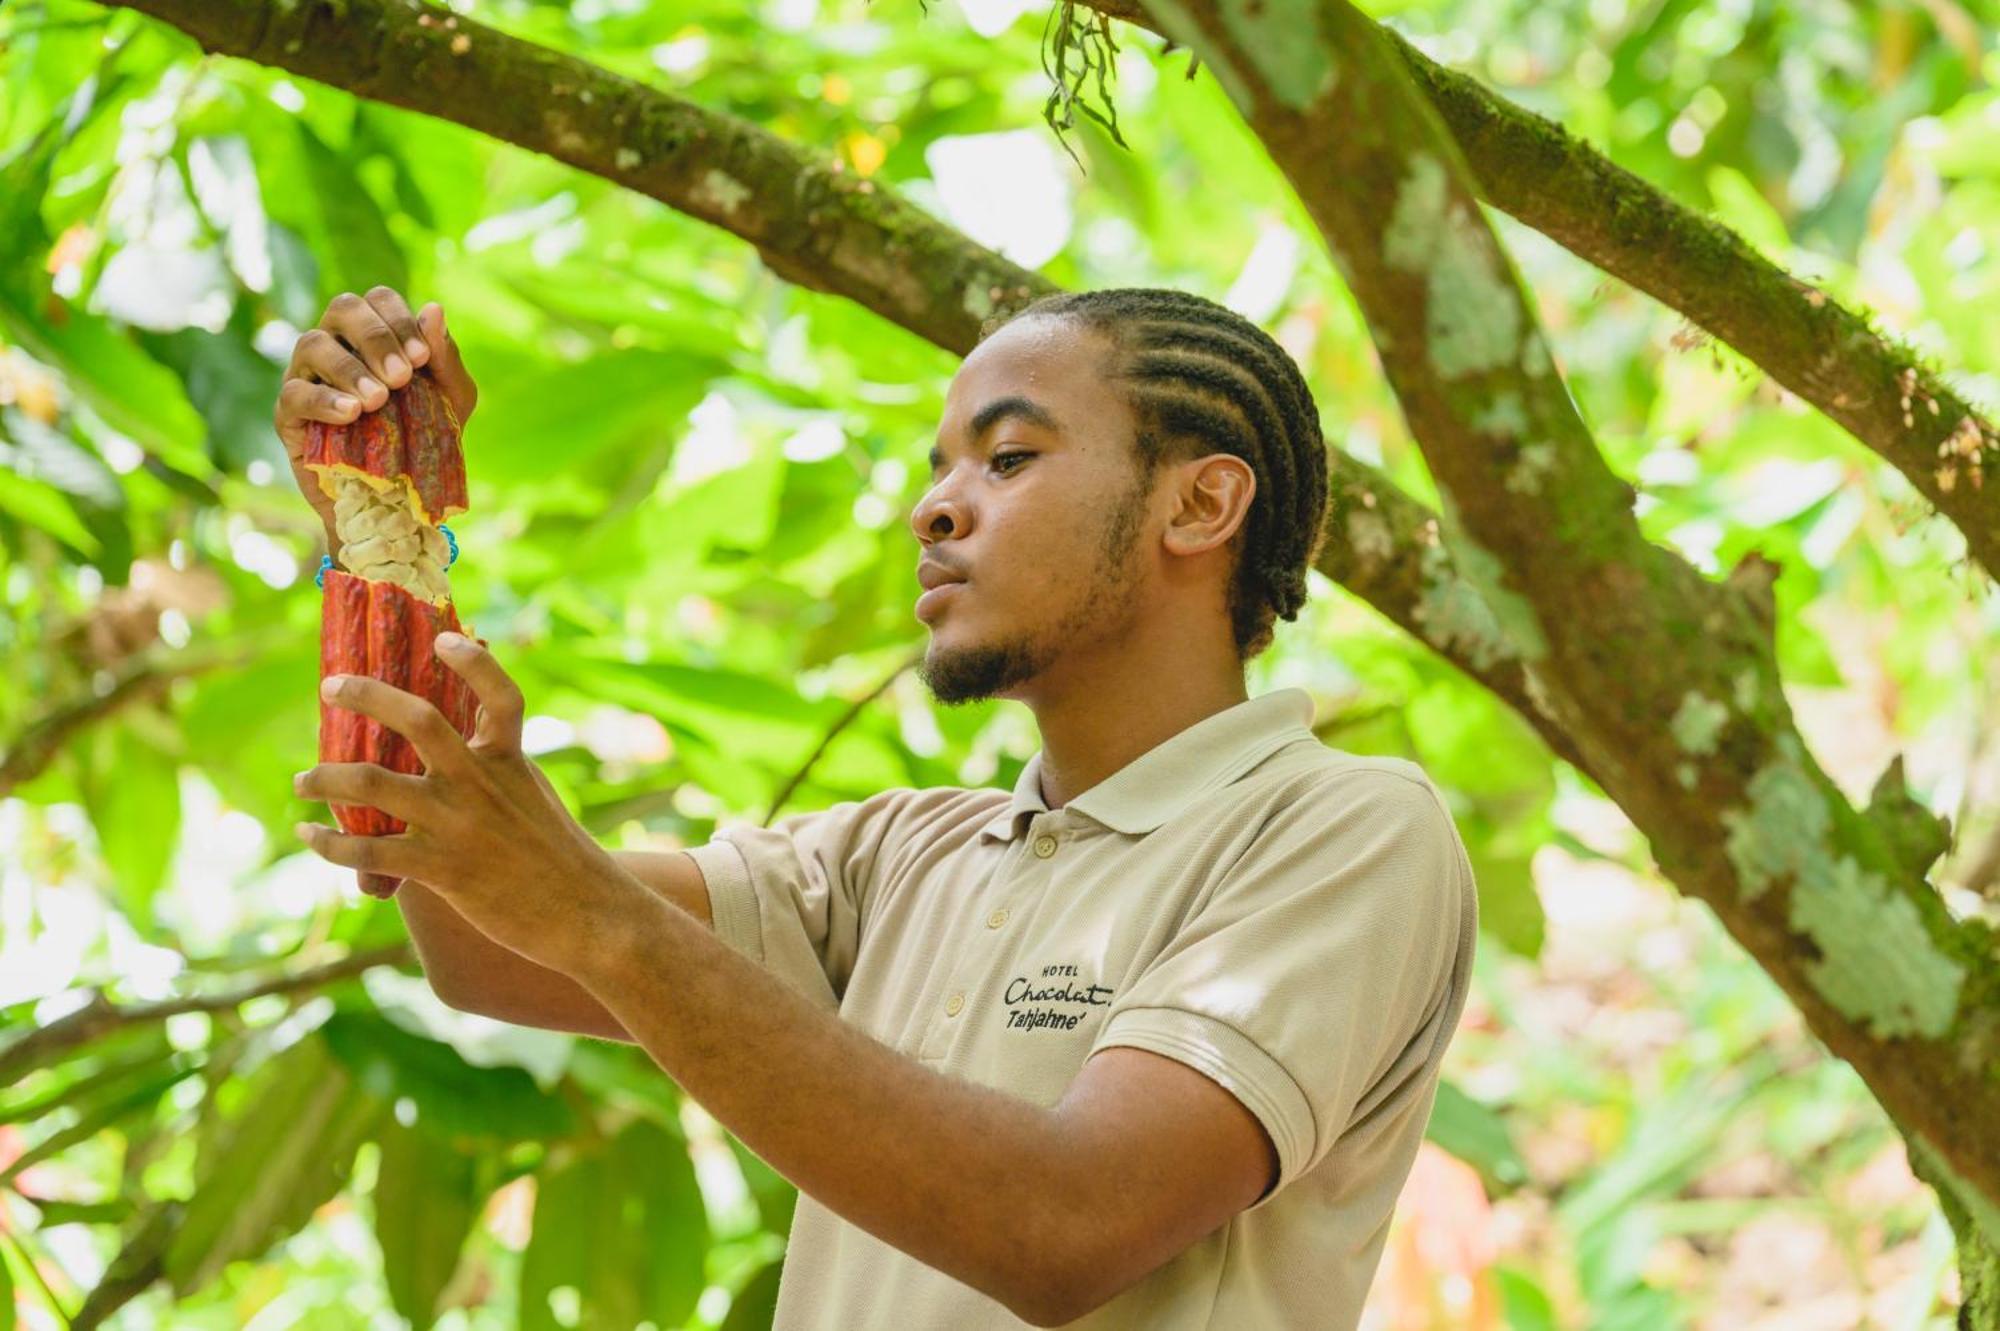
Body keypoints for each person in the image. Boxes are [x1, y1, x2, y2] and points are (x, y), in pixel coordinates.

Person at [277, 284, 1479, 1329]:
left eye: (1005, 459)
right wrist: (385, 524)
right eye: (939, 469)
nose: (935, 509)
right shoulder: (906, 852)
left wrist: (597, 912)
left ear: (1199, 506)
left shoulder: (1342, 826)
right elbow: (489, 941)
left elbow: (1066, 1225)